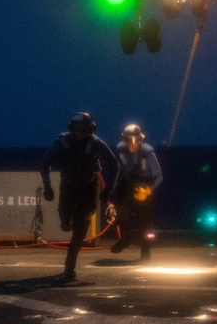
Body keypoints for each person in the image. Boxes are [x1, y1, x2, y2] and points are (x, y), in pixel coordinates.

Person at [40, 112, 119, 281]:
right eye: (77, 129)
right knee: (64, 220)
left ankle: (69, 268)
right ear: (72, 129)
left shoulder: (96, 144)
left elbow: (114, 165)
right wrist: (47, 187)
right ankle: (66, 221)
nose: (80, 133)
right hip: (68, 185)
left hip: (88, 187)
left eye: (84, 129)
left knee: (80, 226)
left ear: (90, 130)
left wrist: (108, 189)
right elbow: (44, 162)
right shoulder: (62, 142)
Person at [109, 123, 162, 260]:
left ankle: (145, 249)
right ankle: (126, 238)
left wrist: (148, 189)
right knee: (120, 209)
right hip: (130, 182)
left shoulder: (148, 152)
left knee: (144, 219)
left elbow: (159, 176)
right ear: (124, 140)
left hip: (147, 184)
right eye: (128, 140)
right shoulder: (120, 149)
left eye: (135, 140)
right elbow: (123, 170)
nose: (132, 144)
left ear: (140, 139)